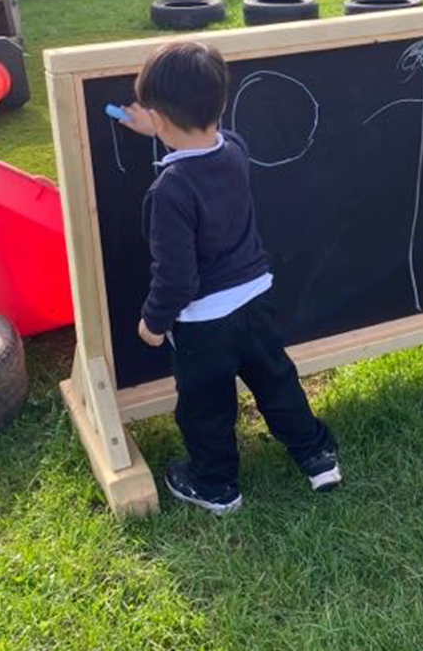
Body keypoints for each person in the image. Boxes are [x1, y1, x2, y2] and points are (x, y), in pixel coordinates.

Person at [119, 40, 341, 515]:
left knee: (206, 406)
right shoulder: (236, 150)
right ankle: (316, 454)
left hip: (204, 323)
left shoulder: (169, 192)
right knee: (276, 380)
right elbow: (203, 138)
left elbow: (177, 277)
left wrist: (153, 324)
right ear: (221, 104)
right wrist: (157, 126)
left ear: (156, 118)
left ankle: (216, 484)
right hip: (257, 298)